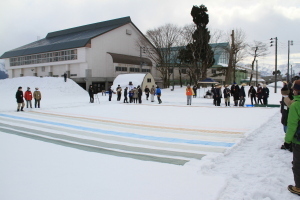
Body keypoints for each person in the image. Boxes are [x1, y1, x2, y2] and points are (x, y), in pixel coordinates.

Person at [284, 80, 300, 195]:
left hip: (298, 141)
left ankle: (298, 187)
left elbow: (292, 125)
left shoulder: (295, 105)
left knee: (298, 165)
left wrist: (287, 141)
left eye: (294, 89)